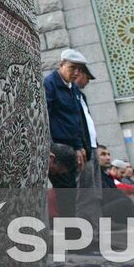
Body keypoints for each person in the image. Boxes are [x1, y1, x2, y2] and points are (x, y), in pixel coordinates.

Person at [42, 50, 100, 226]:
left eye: (79, 69)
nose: (76, 73)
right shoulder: (49, 84)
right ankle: (73, 237)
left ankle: (76, 236)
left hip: (73, 150)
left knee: (73, 194)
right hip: (58, 150)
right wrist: (50, 147)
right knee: (66, 196)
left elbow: (75, 119)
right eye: (72, 68)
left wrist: (79, 146)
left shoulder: (74, 88)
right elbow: (45, 117)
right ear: (62, 65)